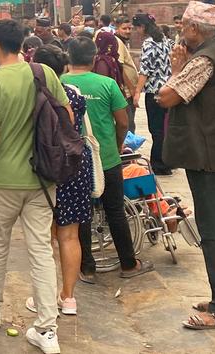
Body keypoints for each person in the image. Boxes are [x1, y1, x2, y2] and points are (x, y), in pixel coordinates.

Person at [0, 19, 69, 354]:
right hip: (42, 178)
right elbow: (65, 116)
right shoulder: (43, 73)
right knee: (41, 250)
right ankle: (47, 329)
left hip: (2, 179)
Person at [157, 1, 215, 330]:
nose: (180, 32)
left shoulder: (205, 59)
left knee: (214, 232)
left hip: (208, 155)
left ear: (195, 30)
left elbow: (167, 96)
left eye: (182, 26)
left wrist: (177, 68)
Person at [64, 36, 151, 281]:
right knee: (115, 211)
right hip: (107, 157)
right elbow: (123, 121)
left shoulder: (59, 83)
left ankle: (87, 268)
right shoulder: (107, 84)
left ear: (69, 57)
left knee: (80, 214)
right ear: (94, 58)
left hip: (75, 160)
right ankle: (128, 264)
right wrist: (116, 143)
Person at [29, 44, 92, 316]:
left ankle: (43, 297)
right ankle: (68, 298)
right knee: (70, 235)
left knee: (45, 238)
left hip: (46, 169)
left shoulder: (32, 96)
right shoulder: (74, 96)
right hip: (75, 164)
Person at [133, 14, 173, 174]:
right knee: (165, 126)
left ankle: (159, 163)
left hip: (154, 90)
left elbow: (145, 70)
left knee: (156, 129)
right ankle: (168, 159)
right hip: (169, 88)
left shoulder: (149, 44)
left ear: (142, 27)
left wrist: (137, 91)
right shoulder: (167, 41)